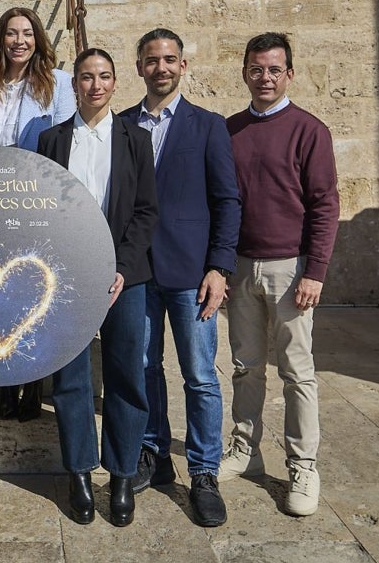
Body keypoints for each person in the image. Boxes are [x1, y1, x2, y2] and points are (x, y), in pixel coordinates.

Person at [118, 28, 240, 528]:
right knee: (143, 368)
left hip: (193, 274)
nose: (161, 68)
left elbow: (227, 201)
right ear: (140, 66)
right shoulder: (122, 125)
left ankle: (205, 471)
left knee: (200, 375)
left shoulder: (208, 126)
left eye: (170, 59)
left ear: (183, 66)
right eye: (152, 60)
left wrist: (219, 266)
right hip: (140, 272)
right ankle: (154, 453)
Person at [219, 32, 339, 518]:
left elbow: (325, 205)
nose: (264, 77)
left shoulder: (310, 130)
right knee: (245, 366)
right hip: (241, 267)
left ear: (289, 73)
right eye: (255, 68)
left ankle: (303, 464)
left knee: (297, 371)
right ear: (245, 72)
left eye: (273, 69)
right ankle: (245, 448)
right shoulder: (228, 130)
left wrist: (316, 271)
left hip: (291, 271)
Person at [37, 48, 158, 528]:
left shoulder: (136, 140)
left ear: (114, 83)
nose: (95, 85)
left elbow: (147, 211)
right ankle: (80, 473)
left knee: (126, 374)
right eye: (86, 77)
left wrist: (122, 268)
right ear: (75, 85)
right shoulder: (50, 140)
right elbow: (41, 213)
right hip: (65, 279)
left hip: (123, 281)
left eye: (104, 76)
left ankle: (123, 474)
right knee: (70, 379)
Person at [0, 6, 75, 420]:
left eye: (27, 33)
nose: (19, 41)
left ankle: (33, 380)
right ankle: (4, 380)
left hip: (34, 199)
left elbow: (62, 144)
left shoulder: (58, 83)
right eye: (11, 33)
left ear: (38, 38)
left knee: (34, 290)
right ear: (0, 38)